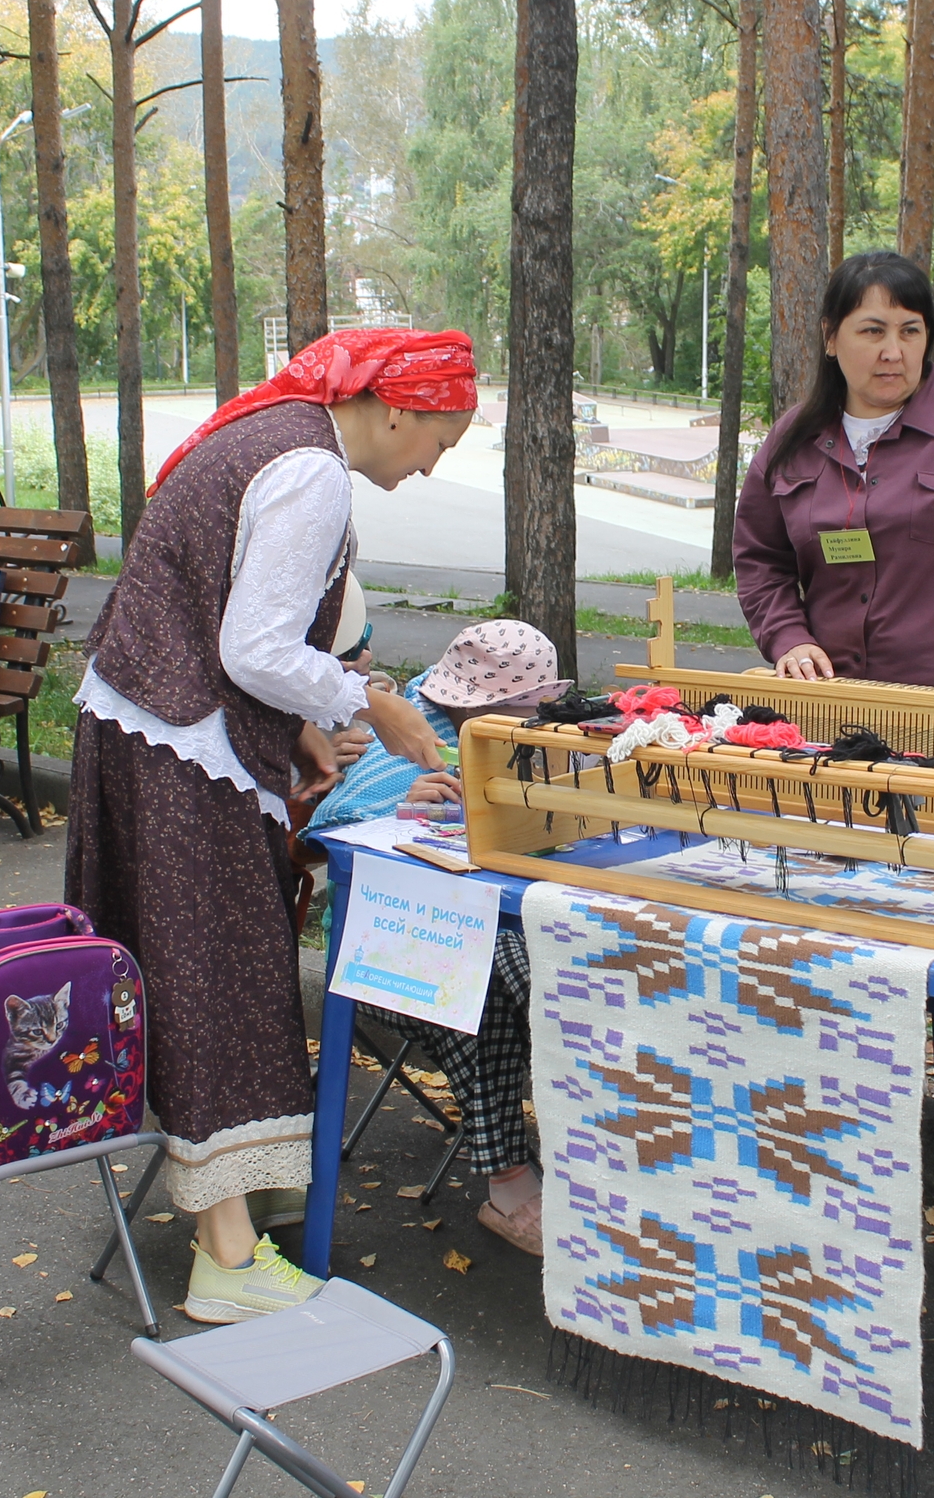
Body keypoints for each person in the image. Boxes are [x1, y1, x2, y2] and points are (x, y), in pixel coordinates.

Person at [66, 327, 472, 1323]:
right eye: (439, 443)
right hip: (180, 751)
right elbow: (252, 647)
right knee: (224, 985)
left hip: (147, 726)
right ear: (395, 408)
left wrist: (297, 732)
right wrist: (370, 700)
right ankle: (229, 1262)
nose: (428, 467)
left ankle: (231, 1209)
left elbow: (227, 624)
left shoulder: (274, 435)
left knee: (187, 979)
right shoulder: (311, 471)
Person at [306, 620, 572, 1256]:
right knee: (479, 987)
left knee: (558, 970)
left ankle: (592, 1150)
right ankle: (509, 1180)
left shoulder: (521, 728)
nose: (530, 716)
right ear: (474, 703)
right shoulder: (406, 730)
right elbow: (322, 832)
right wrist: (401, 806)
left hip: (490, 916)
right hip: (386, 936)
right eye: (518, 708)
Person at [734, 250, 934, 692]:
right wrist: (788, 637)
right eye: (873, 331)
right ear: (830, 337)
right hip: (833, 694)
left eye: (910, 332)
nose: (893, 352)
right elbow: (760, 558)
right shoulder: (793, 438)